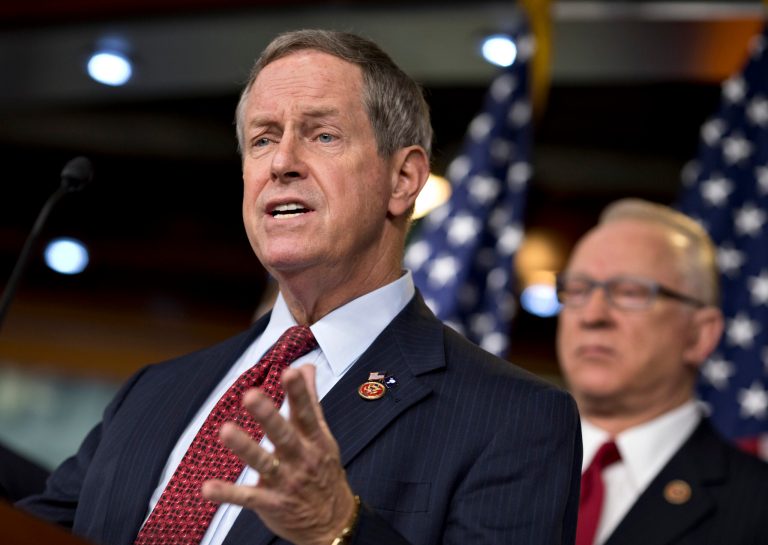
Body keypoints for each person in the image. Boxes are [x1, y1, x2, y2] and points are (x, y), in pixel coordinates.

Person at [18, 29, 581, 545]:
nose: (282, 162)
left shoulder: (514, 418)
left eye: (323, 135)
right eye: (262, 140)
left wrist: (342, 528)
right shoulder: (151, 392)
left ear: (403, 179)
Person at [556, 198, 768, 545]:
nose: (592, 315)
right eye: (577, 290)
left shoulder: (757, 507)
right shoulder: (495, 468)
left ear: (700, 335)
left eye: (630, 292)